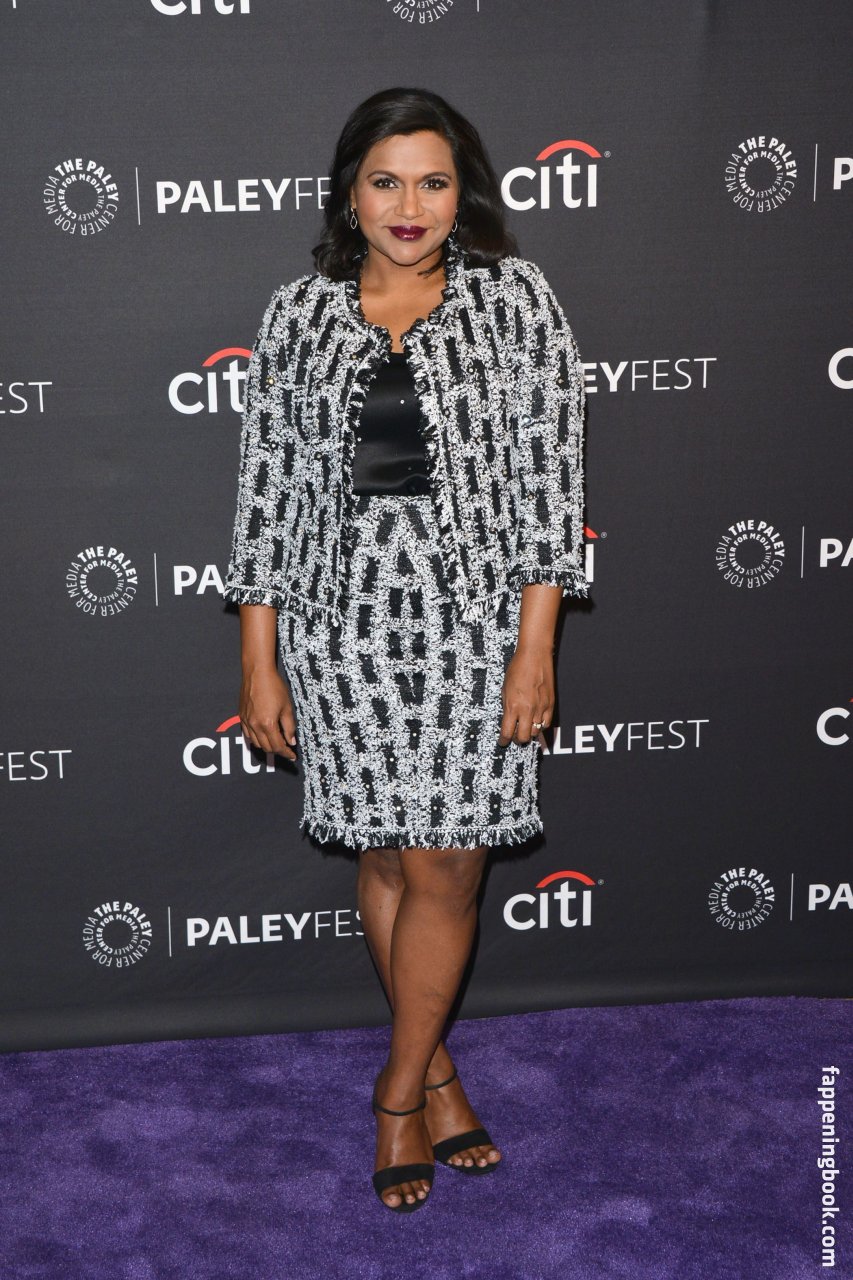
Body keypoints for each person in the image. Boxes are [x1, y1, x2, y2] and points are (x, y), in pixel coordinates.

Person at [223, 86, 589, 1214]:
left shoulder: (514, 300)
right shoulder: (298, 314)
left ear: (461, 192)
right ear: (350, 193)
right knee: (386, 857)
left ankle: (394, 1091)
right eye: (385, 181)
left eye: (433, 181)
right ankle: (437, 1075)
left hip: (475, 619)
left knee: (448, 863)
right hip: (340, 624)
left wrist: (535, 647)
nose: (409, 205)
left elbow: (550, 482)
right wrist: (259, 660)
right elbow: (269, 493)